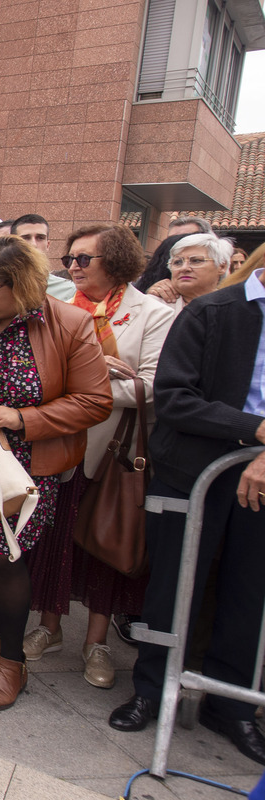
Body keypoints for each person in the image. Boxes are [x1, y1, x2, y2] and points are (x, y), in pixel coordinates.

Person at [0, 235, 112, 711]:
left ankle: (13, 662)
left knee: (5, 559)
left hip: (29, 466)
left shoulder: (70, 323)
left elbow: (95, 400)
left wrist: (25, 421)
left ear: (23, 285)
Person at [108, 260, 265, 765]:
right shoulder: (212, 310)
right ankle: (150, 689)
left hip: (261, 474)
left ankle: (231, 703)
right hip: (194, 470)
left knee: (249, 588)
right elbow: (174, 398)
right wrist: (254, 430)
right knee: (175, 584)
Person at [22, 224, 175, 688]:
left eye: (83, 259)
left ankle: (97, 642)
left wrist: (86, 379)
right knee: (56, 541)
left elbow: (152, 388)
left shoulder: (153, 314)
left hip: (114, 453)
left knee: (104, 547)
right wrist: (93, 374)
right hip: (62, 447)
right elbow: (40, 374)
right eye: (70, 258)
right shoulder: (59, 310)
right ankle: (48, 627)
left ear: (116, 261)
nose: (72, 267)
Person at [147, 233, 232, 312]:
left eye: (196, 261)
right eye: (178, 262)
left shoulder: (235, 308)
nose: (184, 268)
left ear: (222, 266)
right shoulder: (153, 306)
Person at [9, 213, 76, 301]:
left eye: (40, 238)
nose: (33, 244)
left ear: (48, 245)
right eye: (26, 238)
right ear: (12, 244)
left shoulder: (68, 290)